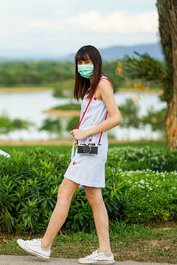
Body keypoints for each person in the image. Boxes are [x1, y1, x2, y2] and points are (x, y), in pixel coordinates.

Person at [16, 45, 122, 264]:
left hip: (91, 149)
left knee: (65, 192)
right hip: (88, 148)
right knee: (94, 199)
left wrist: (85, 132)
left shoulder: (102, 84)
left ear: (96, 62)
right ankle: (105, 251)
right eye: (80, 62)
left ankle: (45, 245)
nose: (83, 66)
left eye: (86, 61)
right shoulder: (91, 87)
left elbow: (116, 118)